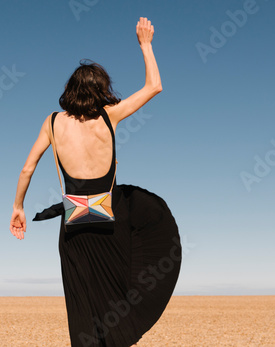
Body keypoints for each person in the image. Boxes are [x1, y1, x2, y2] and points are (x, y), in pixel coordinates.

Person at [10, 17, 181, 347]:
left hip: (74, 227)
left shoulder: (52, 122)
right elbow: (154, 86)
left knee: (82, 312)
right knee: (116, 308)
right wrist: (145, 44)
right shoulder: (110, 114)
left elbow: (27, 169)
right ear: (102, 89)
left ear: (69, 90)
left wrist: (18, 207)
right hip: (109, 223)